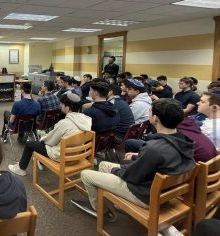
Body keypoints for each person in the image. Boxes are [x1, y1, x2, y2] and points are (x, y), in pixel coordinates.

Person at [72, 98, 195, 236]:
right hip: (163, 192)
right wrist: (135, 158)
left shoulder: (153, 148)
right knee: (103, 164)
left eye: (150, 110)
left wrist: (116, 170)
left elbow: (131, 176)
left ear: (155, 118)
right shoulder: (184, 141)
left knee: (86, 174)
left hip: (144, 195)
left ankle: (102, 211)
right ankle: (113, 202)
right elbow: (159, 162)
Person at [8, 93, 92, 176]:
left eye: (62, 104)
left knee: (30, 144)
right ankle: (39, 161)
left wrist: (43, 138)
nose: (60, 105)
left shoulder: (64, 123)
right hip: (77, 155)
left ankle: (20, 169)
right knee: (42, 141)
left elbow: (50, 142)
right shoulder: (86, 120)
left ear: (67, 107)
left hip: (62, 156)